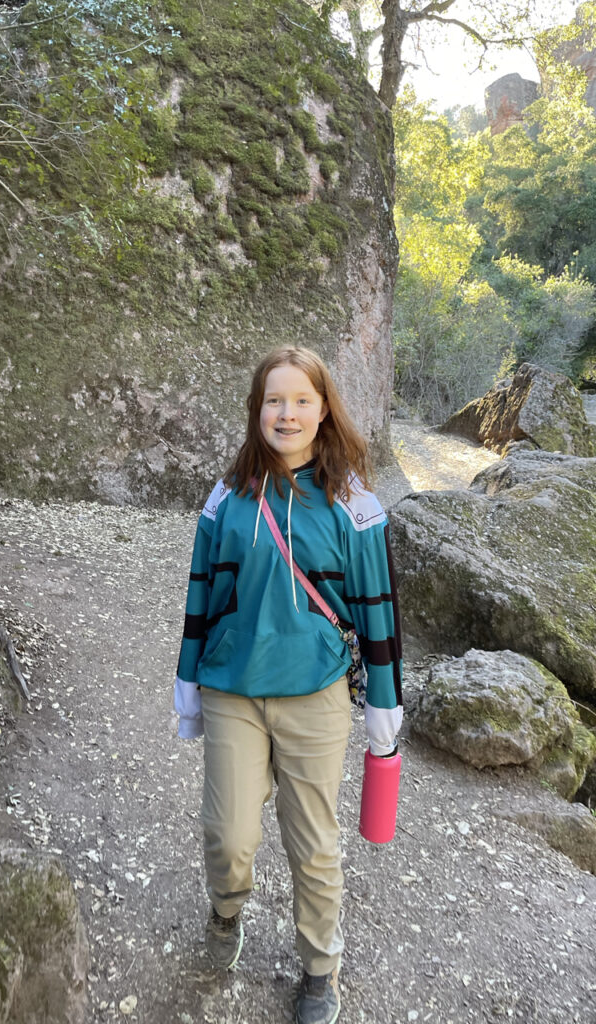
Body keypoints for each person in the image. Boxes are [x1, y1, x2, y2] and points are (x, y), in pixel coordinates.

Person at [174, 346, 403, 1024]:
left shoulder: (356, 505)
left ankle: (319, 970)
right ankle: (226, 916)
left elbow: (378, 610)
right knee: (229, 834)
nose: (287, 413)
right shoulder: (227, 498)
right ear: (257, 410)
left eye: (302, 399)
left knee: (314, 843)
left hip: (317, 694)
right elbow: (200, 596)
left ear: (324, 407)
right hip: (233, 689)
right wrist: (187, 683)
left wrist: (385, 708)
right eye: (274, 400)